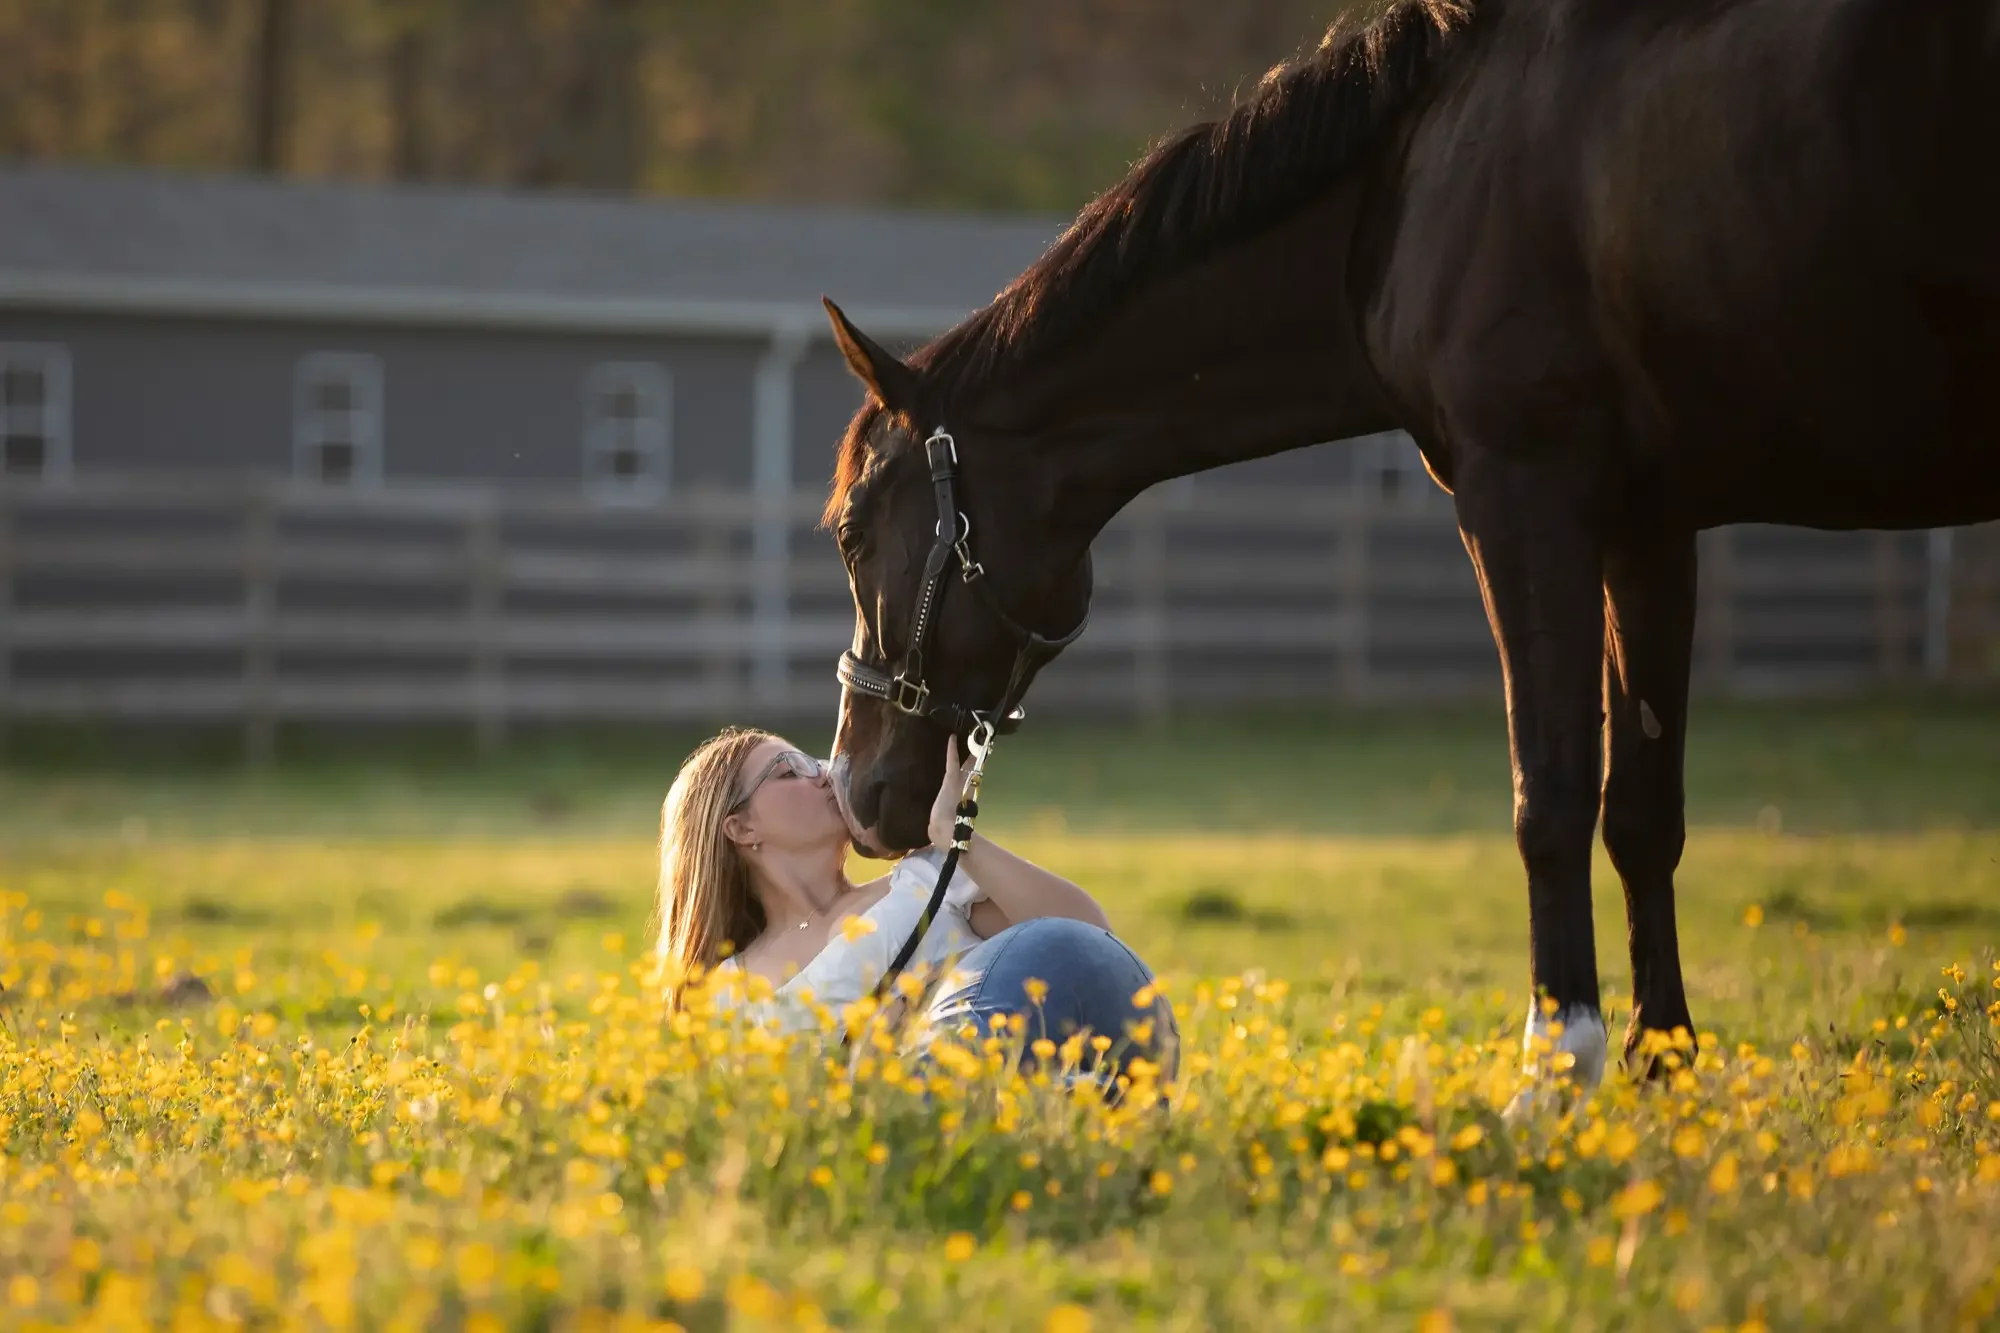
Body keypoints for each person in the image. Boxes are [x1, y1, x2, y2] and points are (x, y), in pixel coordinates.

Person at [650, 726, 1176, 1086]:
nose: (822, 774)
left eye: (815, 761)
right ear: (740, 828)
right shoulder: (724, 993)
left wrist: (956, 840)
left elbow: (1085, 945)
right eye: (789, 771)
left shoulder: (924, 882)